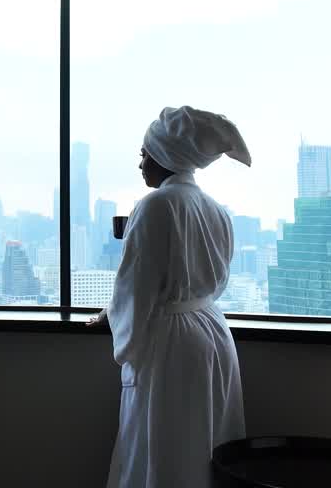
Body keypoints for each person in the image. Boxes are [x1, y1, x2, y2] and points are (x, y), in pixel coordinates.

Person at [89, 105, 251, 488]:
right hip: (213, 334)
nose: (140, 162)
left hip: (172, 344)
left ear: (166, 157)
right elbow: (215, 279)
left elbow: (136, 286)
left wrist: (119, 330)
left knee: (162, 448)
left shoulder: (153, 206)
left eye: (145, 154)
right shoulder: (216, 209)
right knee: (205, 442)